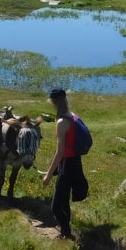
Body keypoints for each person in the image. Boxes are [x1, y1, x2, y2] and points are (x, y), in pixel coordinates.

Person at [42, 87, 87, 240]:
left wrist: (48, 175)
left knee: (56, 206)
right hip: (75, 163)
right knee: (64, 200)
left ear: (54, 102)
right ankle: (66, 232)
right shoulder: (73, 116)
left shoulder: (62, 122)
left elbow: (60, 151)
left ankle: (66, 234)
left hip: (67, 165)